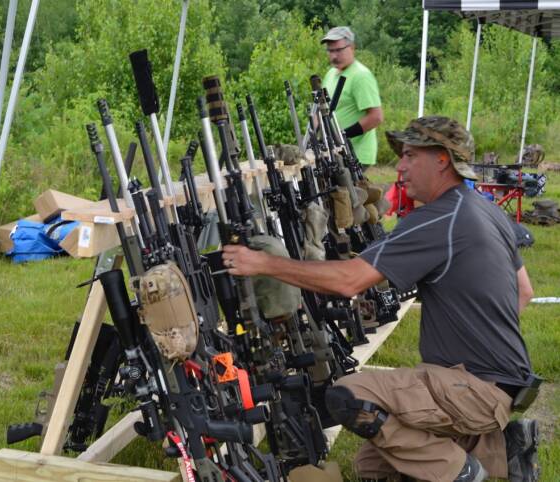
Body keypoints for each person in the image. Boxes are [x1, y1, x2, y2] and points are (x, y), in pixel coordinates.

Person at [222, 116, 540, 482]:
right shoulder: (485, 210)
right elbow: (525, 291)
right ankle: (506, 449)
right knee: (373, 467)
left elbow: (349, 281)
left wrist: (262, 262)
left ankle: (460, 471)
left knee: (349, 396)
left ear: (442, 160)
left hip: (474, 390)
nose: (400, 166)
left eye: (409, 155)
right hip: (505, 386)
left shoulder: (439, 218)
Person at [321, 26, 383, 168]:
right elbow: (322, 108)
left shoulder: (360, 76)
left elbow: (376, 117)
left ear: (352, 48)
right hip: (336, 153)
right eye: (330, 51)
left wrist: (342, 136)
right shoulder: (331, 74)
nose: (334, 56)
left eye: (338, 50)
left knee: (349, 191)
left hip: (356, 155)